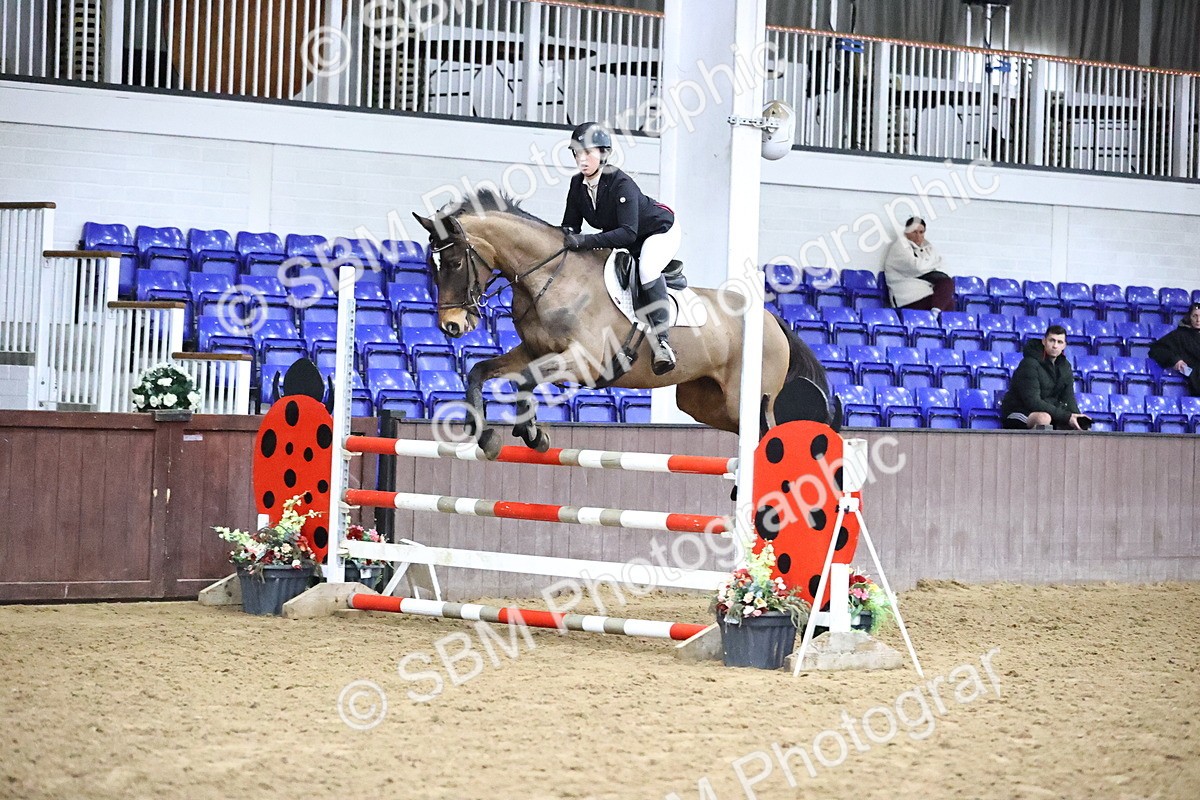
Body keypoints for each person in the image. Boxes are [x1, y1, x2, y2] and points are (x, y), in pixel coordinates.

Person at [560, 121, 679, 375]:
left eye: (587, 153)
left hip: (658, 231)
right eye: (577, 153)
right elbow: (570, 226)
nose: (582, 159)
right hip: (624, 236)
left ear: (603, 154)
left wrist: (585, 242)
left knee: (647, 268)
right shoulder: (577, 185)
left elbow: (627, 233)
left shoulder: (621, 184)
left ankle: (662, 342)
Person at [1000, 325, 1090, 430]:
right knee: (1044, 419)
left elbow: (1069, 398)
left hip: (1046, 410)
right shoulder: (1029, 363)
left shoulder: (1065, 366)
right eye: (1052, 340)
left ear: (1064, 345)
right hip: (1019, 410)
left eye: (1059, 342)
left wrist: (1077, 418)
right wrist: (1066, 416)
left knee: (1076, 423)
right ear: (1044, 341)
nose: (1055, 346)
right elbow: (1033, 402)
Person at [882, 216, 954, 314]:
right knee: (946, 302)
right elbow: (917, 267)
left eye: (921, 232)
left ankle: (935, 315)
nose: (918, 236)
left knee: (947, 284)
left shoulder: (928, 247)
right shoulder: (899, 246)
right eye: (914, 232)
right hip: (907, 299)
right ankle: (934, 317)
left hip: (925, 293)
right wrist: (932, 263)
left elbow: (941, 266)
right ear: (906, 232)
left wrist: (926, 265)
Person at [1148, 303, 1200, 396]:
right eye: (1194, 316)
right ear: (1189, 317)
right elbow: (1157, 349)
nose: (1198, 320)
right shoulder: (1179, 335)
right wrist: (1175, 360)